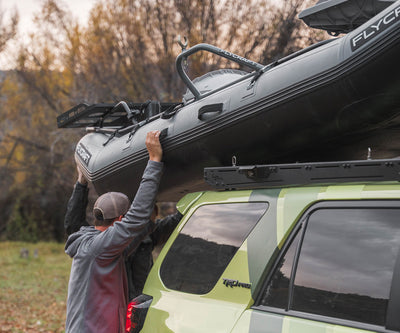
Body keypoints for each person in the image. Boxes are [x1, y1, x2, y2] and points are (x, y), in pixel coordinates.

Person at [64, 130, 164, 333]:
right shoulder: (98, 248)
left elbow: (141, 231)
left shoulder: (101, 247)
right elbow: (136, 219)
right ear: (120, 220)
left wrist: (82, 181)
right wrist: (154, 160)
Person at [65, 166, 182, 300]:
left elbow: (175, 222)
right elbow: (73, 225)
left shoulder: (149, 233)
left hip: (139, 306)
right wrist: (81, 183)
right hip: (117, 306)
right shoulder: (103, 243)